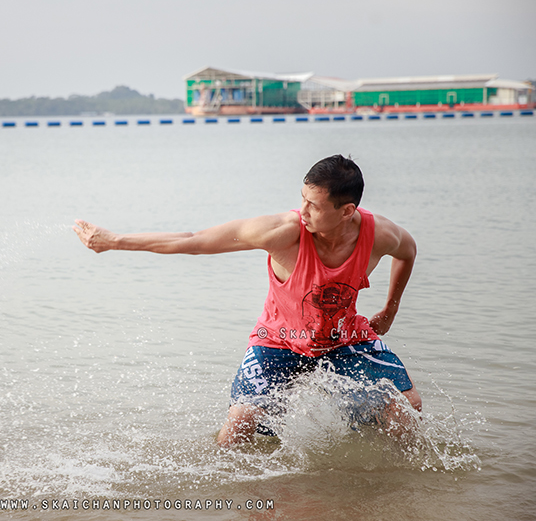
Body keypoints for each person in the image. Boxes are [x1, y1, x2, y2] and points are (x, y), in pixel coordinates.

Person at [73, 155, 421, 447]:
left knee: (408, 409)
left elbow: (408, 252)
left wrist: (390, 310)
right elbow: (195, 240)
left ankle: (383, 482)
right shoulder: (284, 232)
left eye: (313, 205)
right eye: (302, 198)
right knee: (238, 427)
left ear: (346, 211)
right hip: (278, 340)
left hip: (344, 338)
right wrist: (114, 240)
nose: (302, 210)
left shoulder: (380, 235)